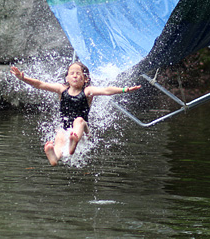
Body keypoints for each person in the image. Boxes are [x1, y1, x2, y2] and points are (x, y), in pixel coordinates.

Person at [10, 62, 141, 166]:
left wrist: (125, 89)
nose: (75, 75)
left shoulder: (87, 91)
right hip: (67, 130)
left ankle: (74, 142)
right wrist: (23, 78)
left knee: (78, 120)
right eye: (71, 73)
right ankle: (54, 157)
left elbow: (106, 90)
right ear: (66, 77)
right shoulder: (62, 89)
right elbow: (40, 84)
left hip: (83, 131)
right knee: (60, 136)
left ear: (85, 79)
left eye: (78, 74)